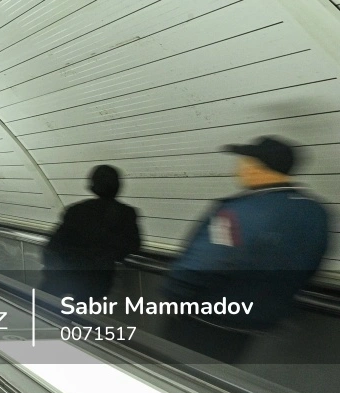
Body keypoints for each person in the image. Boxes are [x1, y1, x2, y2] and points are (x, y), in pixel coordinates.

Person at [163, 137, 330, 363]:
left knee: (176, 374)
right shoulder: (316, 213)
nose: (239, 168)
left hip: (206, 319)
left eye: (243, 161)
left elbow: (205, 262)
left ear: (255, 167)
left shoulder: (236, 212)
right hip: (259, 323)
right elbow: (311, 265)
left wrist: (173, 297)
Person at [38, 166, 142, 304]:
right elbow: (134, 245)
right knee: (81, 315)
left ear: (92, 185)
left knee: (39, 305)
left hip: (64, 275)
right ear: (118, 186)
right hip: (97, 283)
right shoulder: (127, 213)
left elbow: (54, 244)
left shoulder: (76, 211)